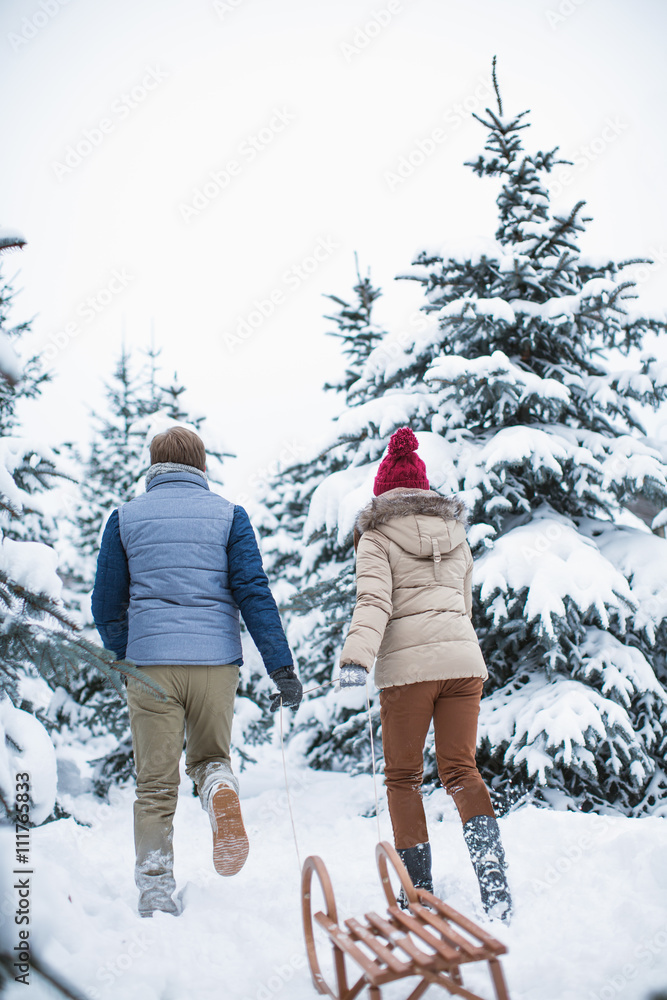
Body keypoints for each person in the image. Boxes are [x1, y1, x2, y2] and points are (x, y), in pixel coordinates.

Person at [91, 426, 302, 917]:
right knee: (210, 758)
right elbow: (254, 592)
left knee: (155, 786)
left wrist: (127, 653)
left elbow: (105, 603)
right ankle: (218, 789)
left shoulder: (124, 518)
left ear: (153, 465)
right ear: (201, 466)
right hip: (215, 664)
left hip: (151, 667)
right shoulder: (230, 515)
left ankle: (156, 890)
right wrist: (281, 667)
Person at [338, 426, 512, 921]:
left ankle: (419, 895)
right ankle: (495, 884)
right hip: (463, 666)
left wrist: (355, 662)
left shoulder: (374, 537)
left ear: (383, 493)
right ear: (424, 489)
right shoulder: (456, 534)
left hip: (410, 671)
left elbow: (373, 602)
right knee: (461, 771)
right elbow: (465, 605)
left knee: (403, 778)